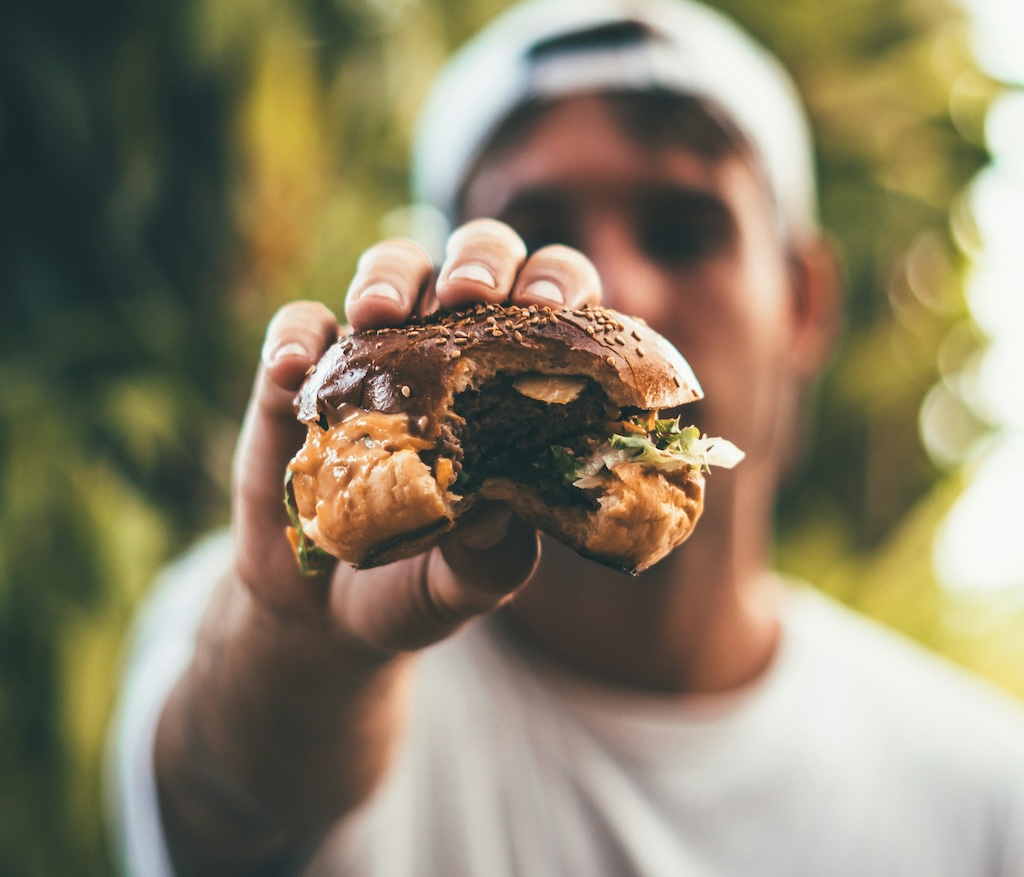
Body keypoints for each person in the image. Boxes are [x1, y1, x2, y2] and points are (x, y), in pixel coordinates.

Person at [108, 1, 1024, 875]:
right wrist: (299, 657)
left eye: (682, 231)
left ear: (802, 301)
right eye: (533, 229)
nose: (614, 287)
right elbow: (223, 813)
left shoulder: (985, 795)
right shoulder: (259, 626)